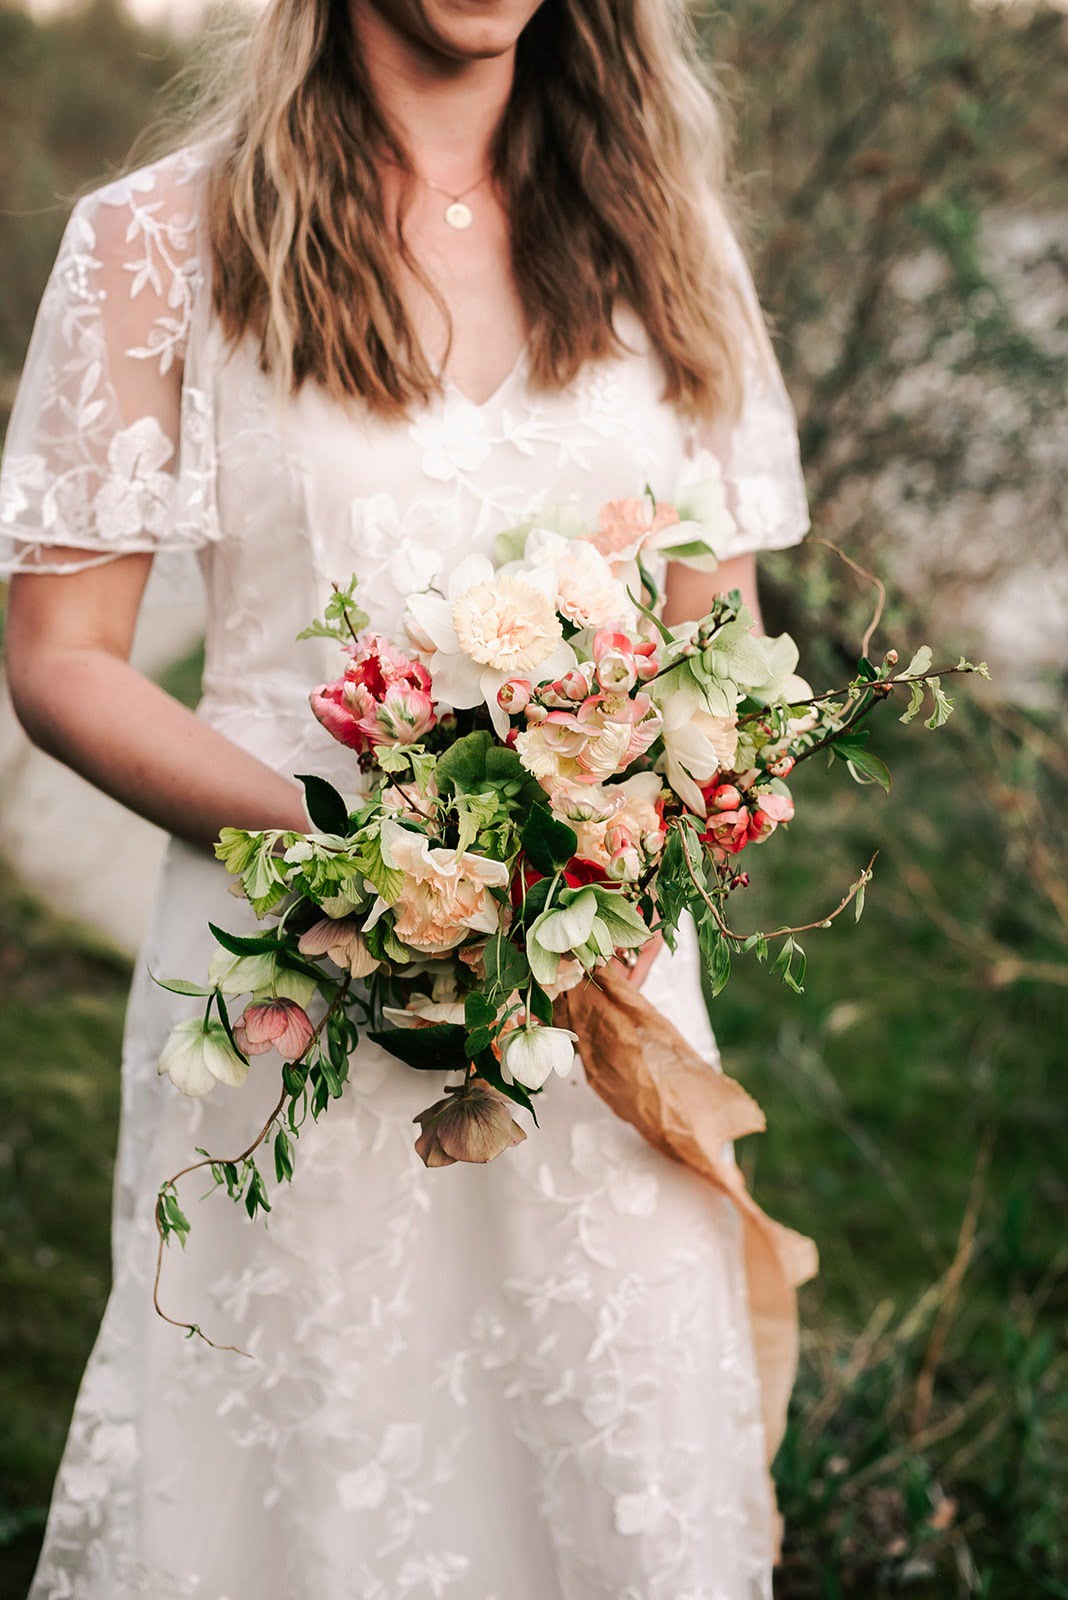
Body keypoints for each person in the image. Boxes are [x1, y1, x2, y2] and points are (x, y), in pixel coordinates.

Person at [1, 0, 813, 1593]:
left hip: (604, 1001)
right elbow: (63, 659)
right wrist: (357, 859)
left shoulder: (665, 231)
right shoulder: (158, 240)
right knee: (311, 1494)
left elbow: (725, 641)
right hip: (285, 978)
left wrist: (633, 845)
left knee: (610, 1465)